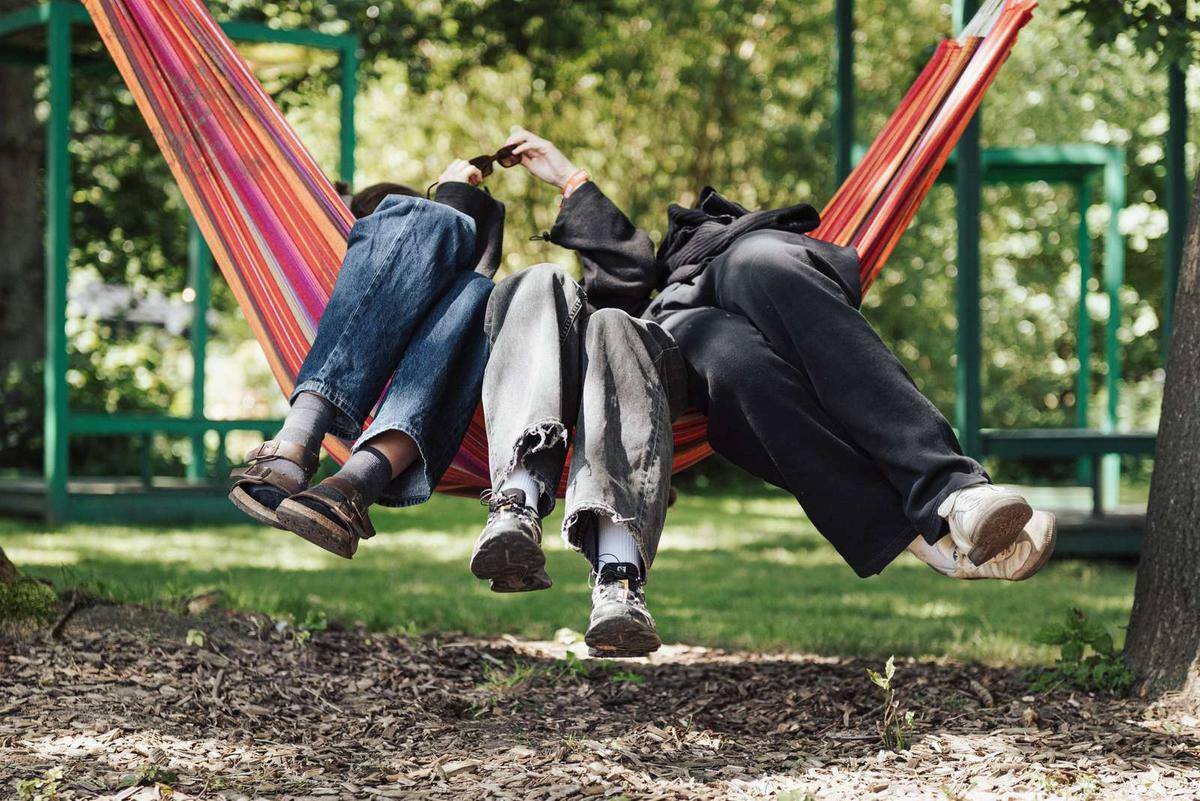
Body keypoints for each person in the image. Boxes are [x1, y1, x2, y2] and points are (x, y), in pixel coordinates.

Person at [489, 131, 1056, 588]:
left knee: (765, 266)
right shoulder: (632, 316)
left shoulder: (733, 239)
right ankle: (924, 539)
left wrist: (573, 176)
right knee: (737, 367)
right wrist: (569, 179)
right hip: (679, 321)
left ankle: (952, 491)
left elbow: (702, 258)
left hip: (742, 255)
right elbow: (631, 271)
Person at [469, 131, 688, 658]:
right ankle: (514, 506)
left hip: (631, 378)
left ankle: (619, 588)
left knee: (612, 322)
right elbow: (460, 288)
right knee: (538, 280)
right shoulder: (518, 318)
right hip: (521, 383)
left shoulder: (613, 321)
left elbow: (631, 269)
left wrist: (568, 179)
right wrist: (459, 196)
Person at [228, 158, 502, 558]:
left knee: (478, 294)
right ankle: (301, 441)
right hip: (357, 349)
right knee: (428, 225)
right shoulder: (387, 233)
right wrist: (451, 195)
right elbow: (422, 231)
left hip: (429, 353)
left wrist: (455, 193)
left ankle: (351, 484)